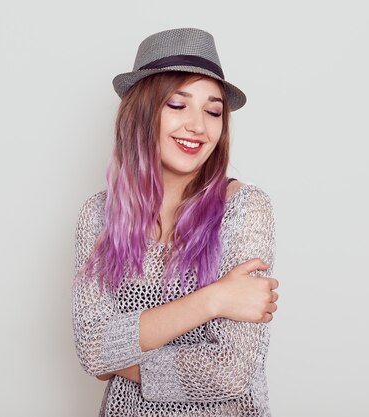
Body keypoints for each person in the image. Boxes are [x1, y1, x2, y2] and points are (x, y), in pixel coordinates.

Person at [71, 28, 279, 417]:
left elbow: (230, 372)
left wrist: (120, 356)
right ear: (142, 111)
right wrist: (213, 299)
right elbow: (92, 349)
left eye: (213, 111)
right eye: (177, 105)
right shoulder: (98, 215)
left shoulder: (246, 208)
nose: (199, 126)